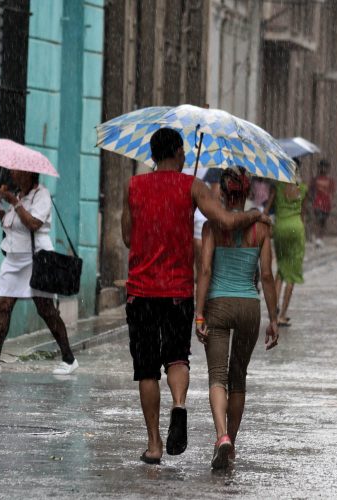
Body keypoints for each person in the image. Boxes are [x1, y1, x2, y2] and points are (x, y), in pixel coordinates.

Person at [121, 128, 269, 465]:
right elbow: (227, 222)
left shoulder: (134, 187)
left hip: (141, 290)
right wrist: (255, 215)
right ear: (175, 151)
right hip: (176, 290)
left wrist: (152, 233)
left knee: (146, 370)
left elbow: (127, 236)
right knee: (177, 358)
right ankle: (179, 406)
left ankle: (155, 444)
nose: (187, 155)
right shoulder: (193, 187)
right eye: (183, 150)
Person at [194, 167, 279, 469]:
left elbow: (204, 271)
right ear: (245, 194)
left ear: (223, 193)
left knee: (217, 377)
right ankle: (233, 440)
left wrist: (199, 312)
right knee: (238, 377)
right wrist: (275, 317)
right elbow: (267, 276)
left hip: (217, 304)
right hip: (249, 307)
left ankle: (221, 437)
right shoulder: (262, 228)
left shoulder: (211, 227)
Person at [0, 170, 78, 375]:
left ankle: (69, 359)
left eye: (18, 172)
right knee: (2, 305)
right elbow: (9, 225)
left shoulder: (41, 195)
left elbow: (33, 224)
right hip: (13, 258)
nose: (13, 174)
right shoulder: (19, 195)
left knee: (46, 309)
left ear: (29, 174)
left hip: (37, 259)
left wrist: (14, 203)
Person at [265, 178, 307, 327]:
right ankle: (282, 314)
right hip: (296, 228)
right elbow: (303, 213)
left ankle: (273, 311)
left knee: (281, 269)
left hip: (280, 228)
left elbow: (268, 208)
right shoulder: (302, 189)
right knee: (292, 273)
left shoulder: (278, 187)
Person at [310, 159, 336, 248]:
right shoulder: (315, 179)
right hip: (317, 203)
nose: (324, 169)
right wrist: (313, 199)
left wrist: (332, 202)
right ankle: (316, 237)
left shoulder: (330, 180)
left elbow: (332, 192)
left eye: (326, 167)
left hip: (326, 204)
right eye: (322, 167)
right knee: (318, 220)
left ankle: (320, 238)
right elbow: (311, 190)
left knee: (323, 222)